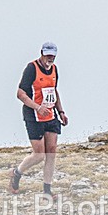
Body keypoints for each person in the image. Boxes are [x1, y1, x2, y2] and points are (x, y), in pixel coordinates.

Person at [9, 41, 68, 197]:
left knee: (51, 152)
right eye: (47, 55)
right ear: (42, 53)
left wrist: (61, 111)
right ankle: (16, 173)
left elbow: (54, 91)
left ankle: (47, 190)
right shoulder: (31, 68)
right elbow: (20, 94)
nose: (50, 58)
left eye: (52, 56)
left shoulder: (54, 69)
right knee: (39, 155)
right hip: (34, 116)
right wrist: (37, 107)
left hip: (50, 116)